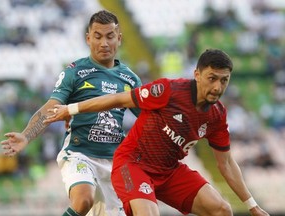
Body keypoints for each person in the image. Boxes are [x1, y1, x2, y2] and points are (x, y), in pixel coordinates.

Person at [41, 49, 270, 216]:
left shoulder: (217, 115)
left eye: (224, 81)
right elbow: (117, 99)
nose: (217, 87)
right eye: (212, 79)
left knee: (221, 210)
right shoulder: (168, 90)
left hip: (169, 172)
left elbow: (227, 164)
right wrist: (70, 109)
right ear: (197, 74)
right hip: (132, 165)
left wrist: (252, 205)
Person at [0, 10, 142, 216]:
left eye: (110, 36)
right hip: (79, 154)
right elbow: (52, 106)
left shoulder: (130, 79)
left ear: (118, 38)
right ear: (88, 38)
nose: (104, 43)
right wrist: (26, 135)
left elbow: (148, 117)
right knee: (83, 200)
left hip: (114, 163)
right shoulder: (75, 72)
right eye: (98, 36)